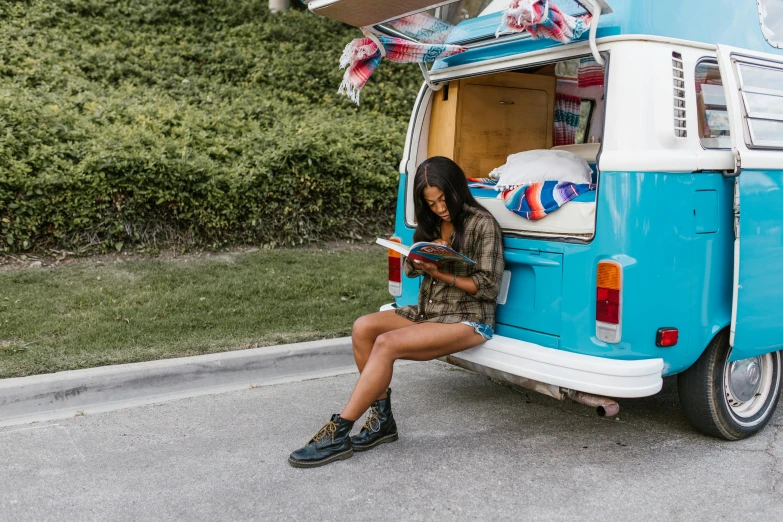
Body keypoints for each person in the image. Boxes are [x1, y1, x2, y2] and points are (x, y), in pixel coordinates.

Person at [288, 156, 505, 468]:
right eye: (431, 203)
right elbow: (414, 268)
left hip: (468, 318)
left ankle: (337, 433)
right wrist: (412, 258)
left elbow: (488, 287)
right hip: (427, 311)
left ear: (457, 188)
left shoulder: (481, 224)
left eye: (444, 199)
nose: (440, 208)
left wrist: (441, 273)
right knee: (363, 327)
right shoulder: (432, 222)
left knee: (386, 343)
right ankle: (381, 423)